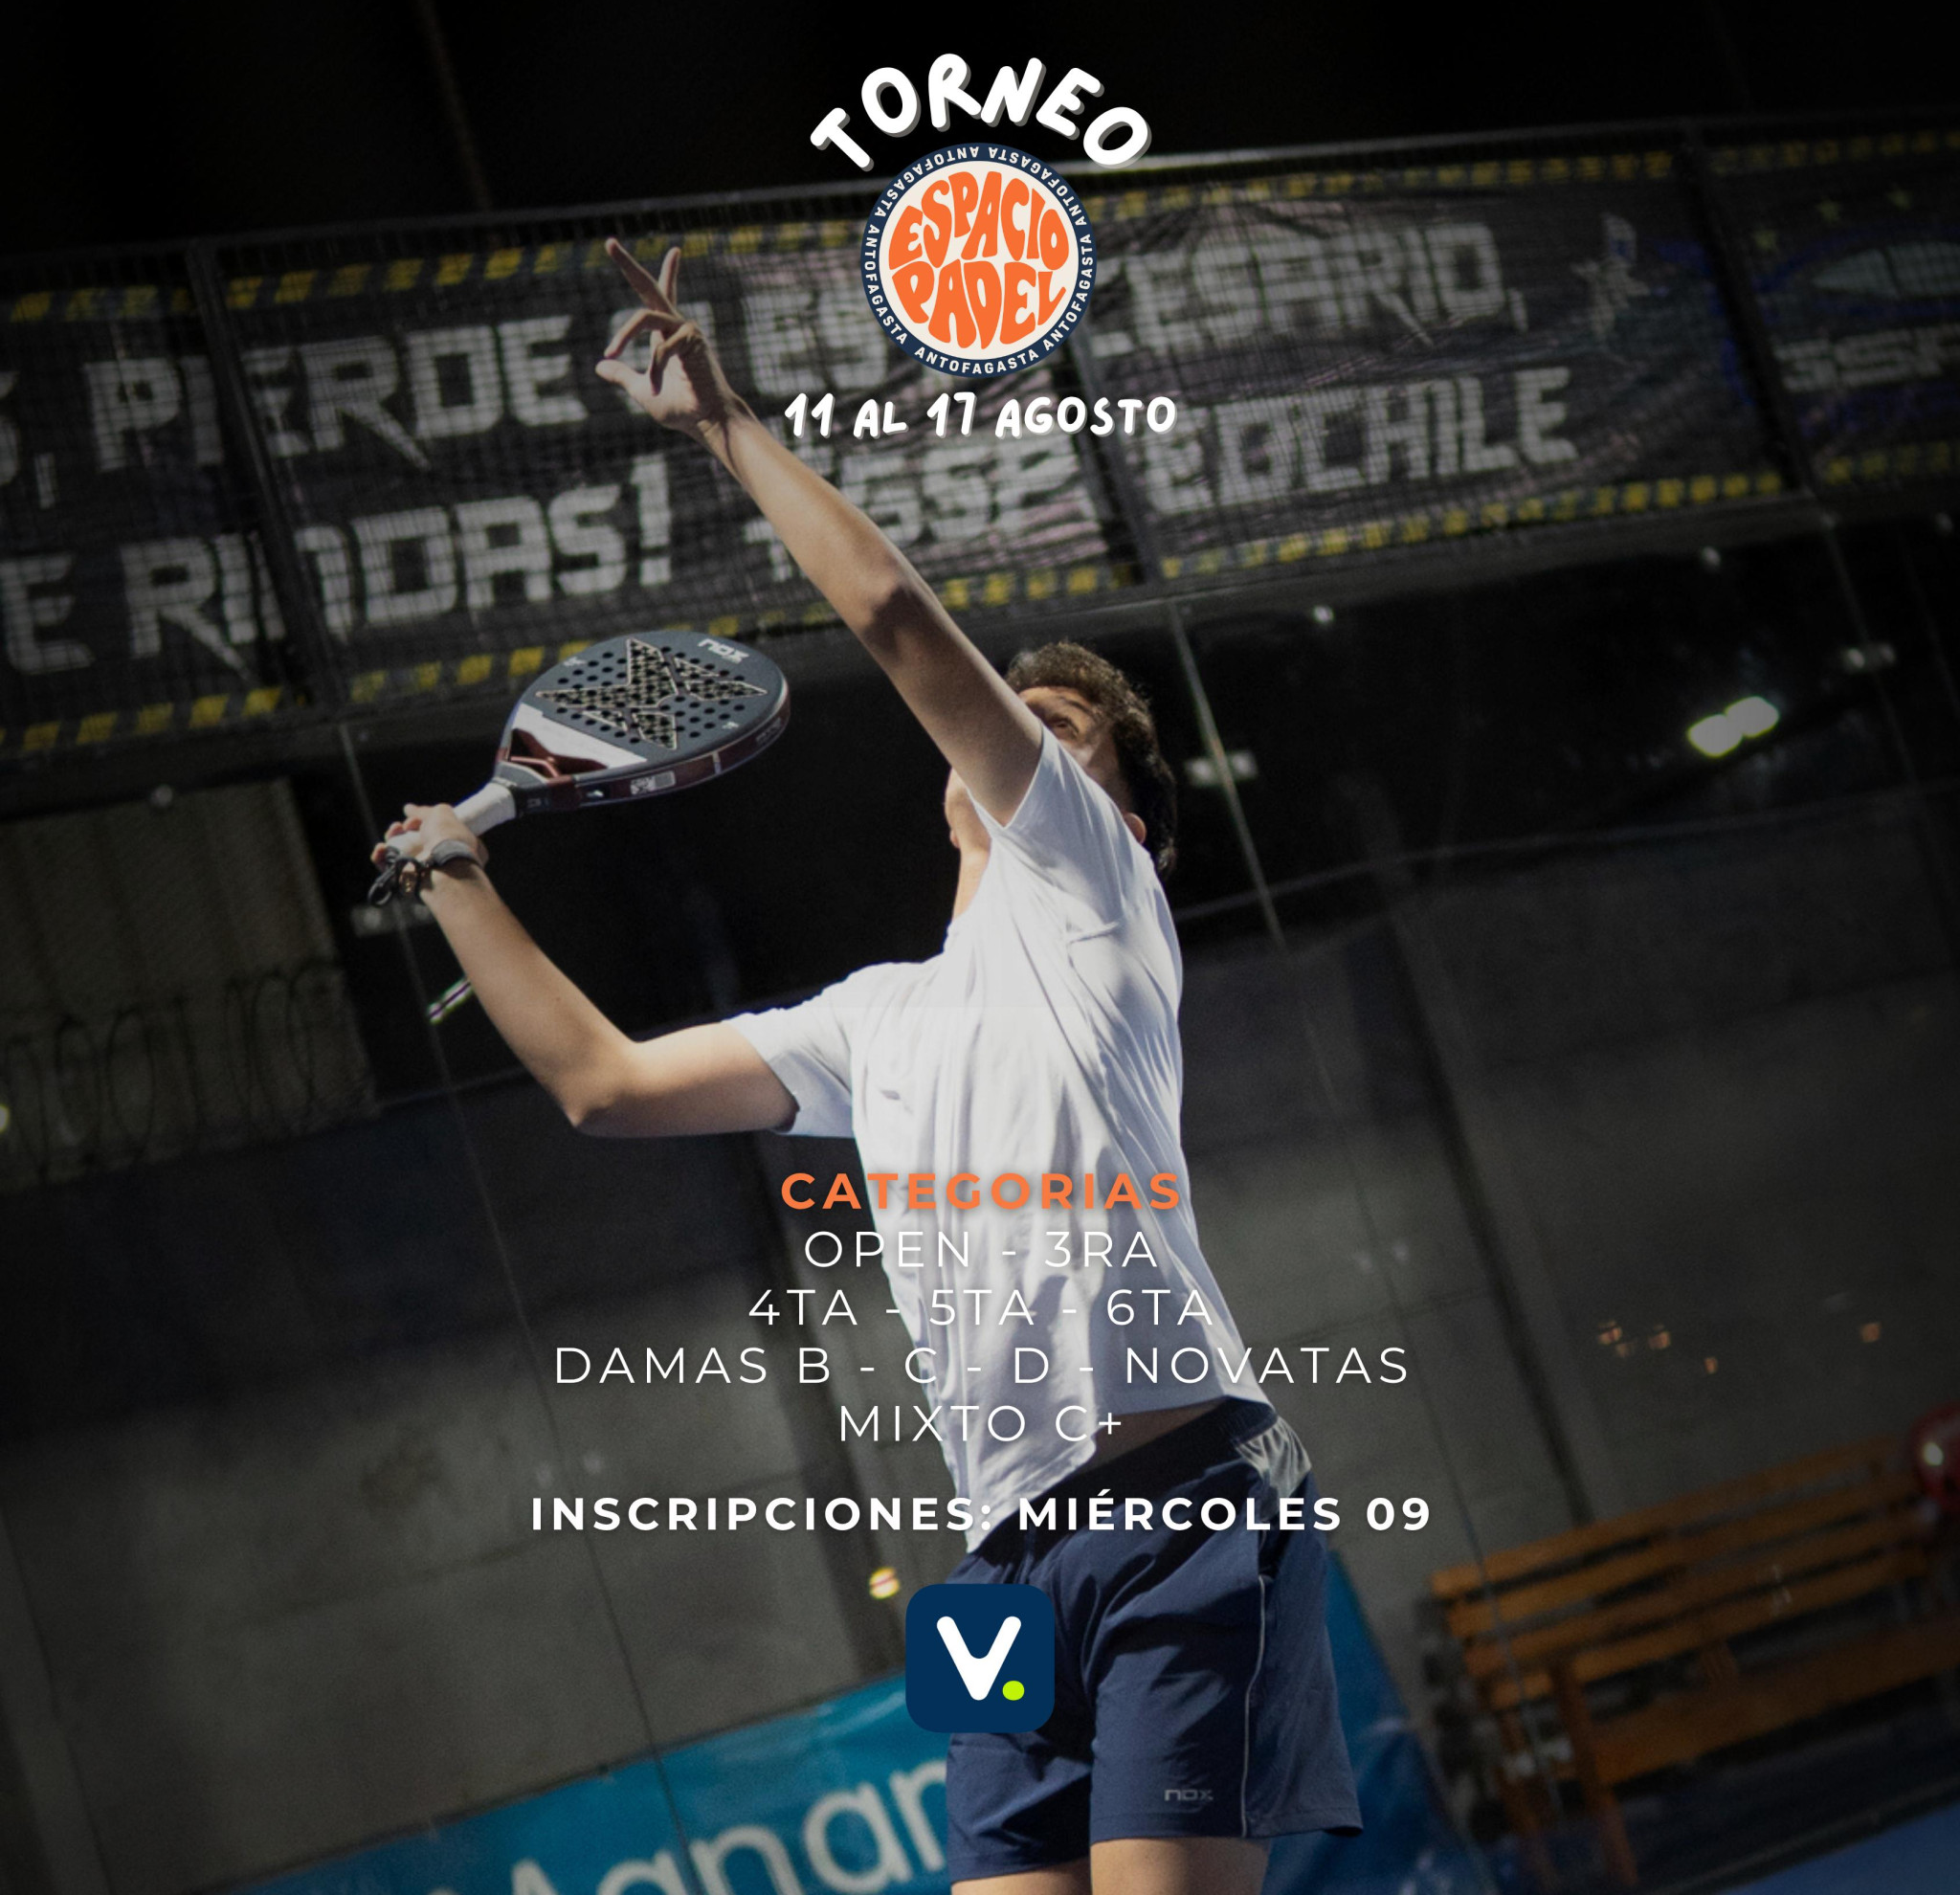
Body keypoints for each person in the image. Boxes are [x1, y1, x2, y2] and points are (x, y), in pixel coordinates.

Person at [375, 240, 1360, 1894]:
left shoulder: (1096, 898)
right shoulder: (872, 1020)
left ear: (1124, 823)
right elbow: (603, 1085)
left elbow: (898, 618)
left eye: (1062, 732)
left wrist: (722, 424)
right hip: (997, 1572)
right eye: (1017, 717)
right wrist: (458, 883)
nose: (1024, 731)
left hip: (1180, 1503)